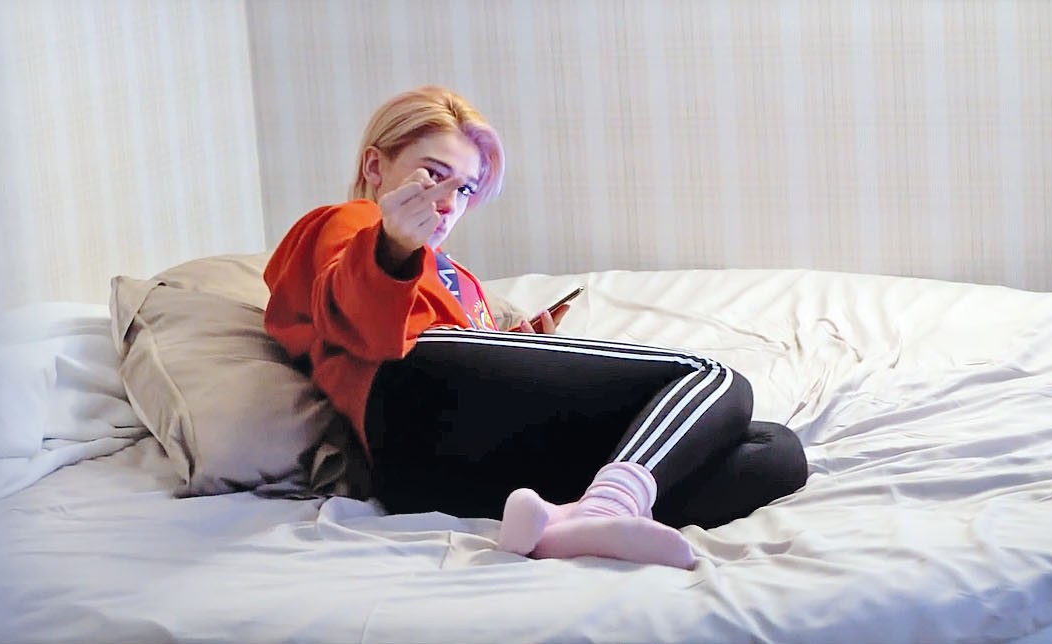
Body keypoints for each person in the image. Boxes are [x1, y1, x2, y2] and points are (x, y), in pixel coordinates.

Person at [263, 86, 808, 568]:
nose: (449, 203)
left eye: (466, 189)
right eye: (433, 174)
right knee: (711, 377)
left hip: (439, 476)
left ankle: (560, 523)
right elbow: (352, 317)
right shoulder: (351, 222)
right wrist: (392, 246)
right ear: (376, 167)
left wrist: (520, 350)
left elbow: (473, 362)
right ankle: (608, 507)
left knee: (773, 453)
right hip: (409, 398)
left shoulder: (461, 279)